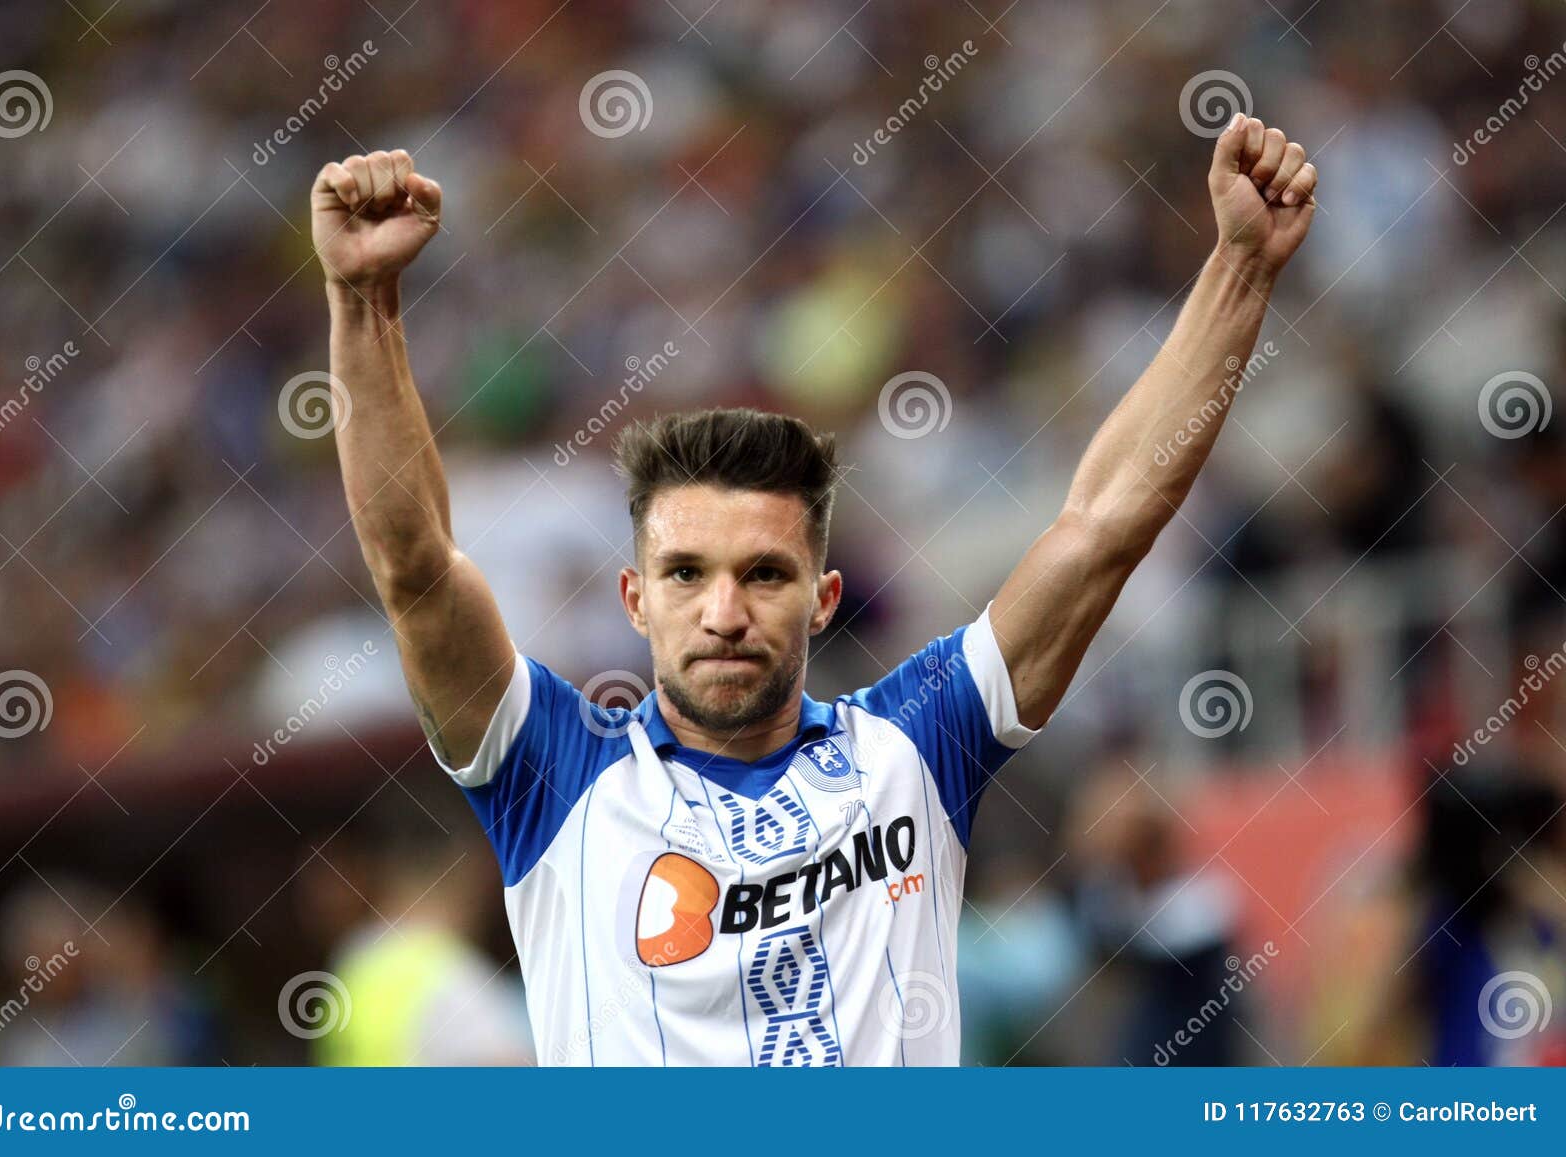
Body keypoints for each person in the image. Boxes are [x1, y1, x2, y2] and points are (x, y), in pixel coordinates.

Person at [308, 111, 1318, 1066]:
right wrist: (362, 299)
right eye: (686, 574)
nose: (723, 611)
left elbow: (1101, 527)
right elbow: (415, 565)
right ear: (633, 599)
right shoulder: (555, 775)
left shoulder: (914, 744)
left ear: (825, 598)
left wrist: (1238, 267)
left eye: (764, 573)